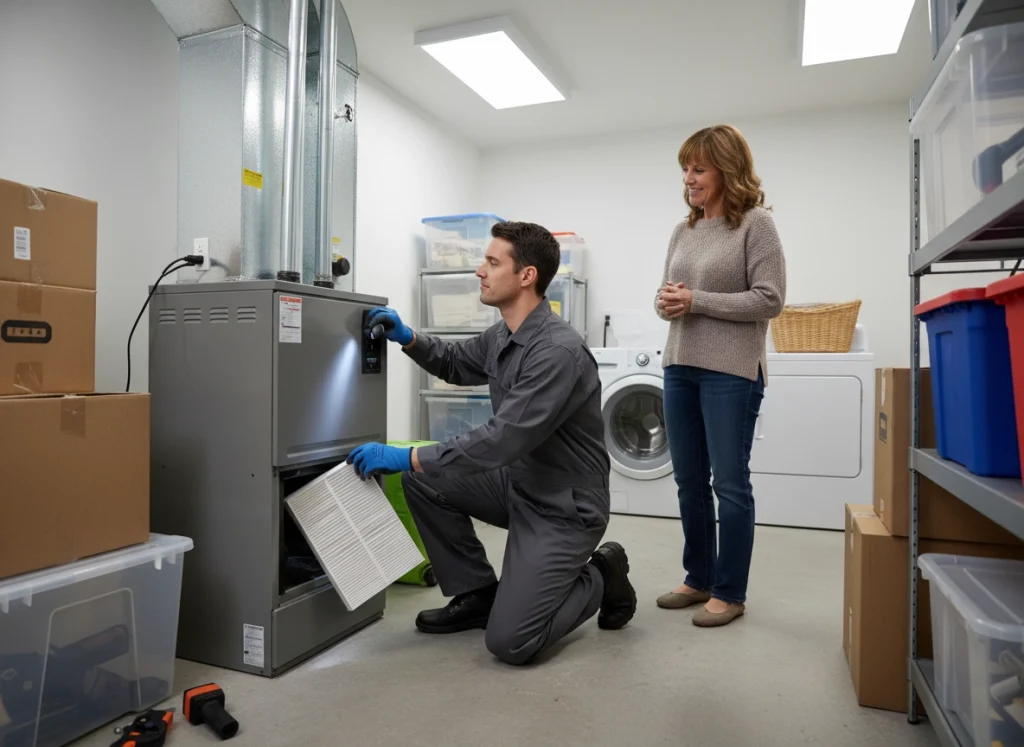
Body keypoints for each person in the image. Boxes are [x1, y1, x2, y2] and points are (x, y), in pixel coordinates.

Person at [346, 220, 636, 665]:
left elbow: (501, 440)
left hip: (564, 506)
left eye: (492, 262)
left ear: (526, 276)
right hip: (518, 482)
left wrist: (408, 455)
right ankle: (477, 593)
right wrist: (409, 338)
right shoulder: (503, 333)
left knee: (512, 642)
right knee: (425, 480)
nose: (479, 271)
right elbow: (456, 362)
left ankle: (602, 570)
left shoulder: (556, 351)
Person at [653, 124, 786, 627]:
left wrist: (696, 300)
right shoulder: (682, 230)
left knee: (729, 483)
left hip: (731, 371)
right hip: (679, 364)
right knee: (688, 481)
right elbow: (668, 297)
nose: (688, 178)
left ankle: (730, 593)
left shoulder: (756, 225)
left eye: (698, 169)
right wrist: (668, 302)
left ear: (727, 171)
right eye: (685, 169)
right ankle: (699, 578)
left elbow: (770, 299)